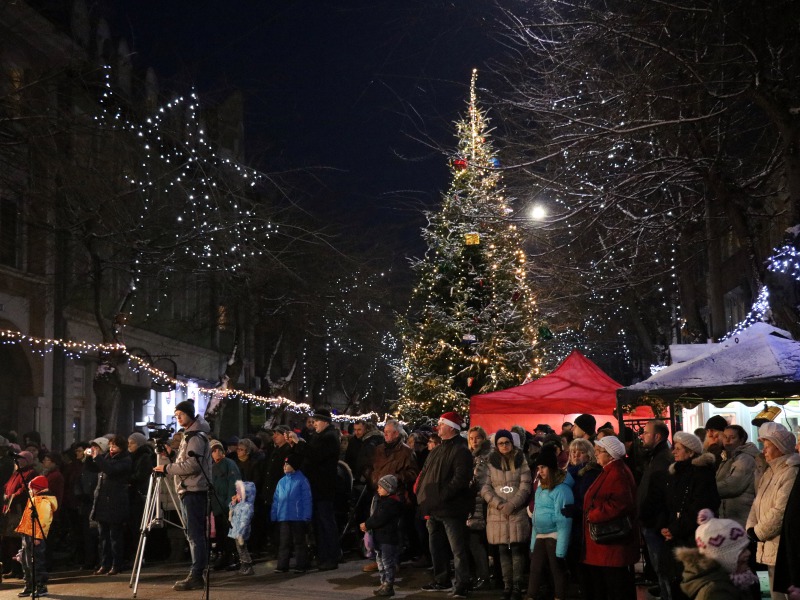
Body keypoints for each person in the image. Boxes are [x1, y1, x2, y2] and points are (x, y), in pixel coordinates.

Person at [152, 400, 212, 591]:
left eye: (181, 414)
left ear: (190, 414)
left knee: (194, 535)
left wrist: (167, 468)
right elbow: (186, 459)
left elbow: (193, 465)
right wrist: (173, 453)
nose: (178, 418)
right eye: (176, 415)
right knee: (193, 534)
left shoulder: (195, 437)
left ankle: (197, 574)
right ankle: (197, 572)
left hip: (194, 490)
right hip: (189, 488)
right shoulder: (189, 435)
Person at [416, 411, 474, 598]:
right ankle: (441, 579)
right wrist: (422, 496)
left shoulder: (461, 450)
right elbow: (425, 473)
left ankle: (462, 583)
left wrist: (442, 496)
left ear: (451, 427)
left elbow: (460, 479)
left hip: (451, 508)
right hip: (434, 507)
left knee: (457, 548)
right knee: (437, 547)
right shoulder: (439, 449)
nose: (438, 427)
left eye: (441, 424)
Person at [661, 431, 720, 600]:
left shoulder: (701, 473)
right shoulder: (676, 472)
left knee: (692, 584)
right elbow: (671, 504)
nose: (674, 451)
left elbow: (699, 507)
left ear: (690, 451)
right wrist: (667, 527)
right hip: (677, 535)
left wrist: (675, 529)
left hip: (693, 538)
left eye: (678, 448)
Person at [745, 422, 800, 600]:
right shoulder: (770, 471)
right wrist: (751, 528)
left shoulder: (791, 471)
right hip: (768, 543)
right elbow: (757, 502)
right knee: (776, 593)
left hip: (781, 543)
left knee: (785, 593)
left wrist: (759, 532)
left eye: (767, 447)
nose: (764, 451)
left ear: (780, 448)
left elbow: (781, 510)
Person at [582, 435, 638, 600]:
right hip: (606, 543)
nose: (596, 454)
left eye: (599, 451)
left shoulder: (616, 472)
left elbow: (619, 504)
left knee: (615, 584)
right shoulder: (610, 470)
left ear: (610, 454)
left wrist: (593, 514)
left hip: (611, 542)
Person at [480, 429, 532, 600]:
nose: (504, 446)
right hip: (497, 513)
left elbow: (525, 486)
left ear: (511, 443)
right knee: (503, 551)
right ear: (496, 445)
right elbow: (485, 488)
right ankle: (507, 585)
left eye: (507, 442)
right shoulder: (490, 462)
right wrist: (499, 504)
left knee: (516, 550)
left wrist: (512, 504)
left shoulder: (521, 460)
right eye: (501, 443)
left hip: (516, 512)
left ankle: (517, 585)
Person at [674, 508, 758, 600]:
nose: (748, 553)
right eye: (741, 550)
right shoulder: (715, 593)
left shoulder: (735, 580)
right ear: (723, 557)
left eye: (746, 548)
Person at [525, 443, 571, 600]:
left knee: (556, 569)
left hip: (554, 535)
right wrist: (532, 543)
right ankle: (531, 596)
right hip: (540, 534)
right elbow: (536, 516)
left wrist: (561, 550)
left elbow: (564, 521)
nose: (540, 471)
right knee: (535, 568)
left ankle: (560, 596)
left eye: (543, 467)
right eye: (539, 468)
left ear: (551, 467)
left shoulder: (561, 490)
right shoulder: (540, 489)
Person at [299, 408, 341, 571]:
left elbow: (315, 456)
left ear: (324, 421)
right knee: (319, 523)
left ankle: (331, 556)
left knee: (325, 522)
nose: (313, 424)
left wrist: (300, 444)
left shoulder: (329, 438)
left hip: (323, 486)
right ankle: (323, 555)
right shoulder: (320, 436)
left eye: (316, 421)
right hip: (316, 486)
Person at [638, 420, 674, 600]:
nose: (642, 436)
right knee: (660, 569)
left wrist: (648, 517)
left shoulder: (662, 459)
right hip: (653, 522)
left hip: (656, 523)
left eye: (645, 432)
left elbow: (659, 496)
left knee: (663, 568)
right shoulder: (655, 456)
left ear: (657, 436)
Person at [86, 435, 132, 576]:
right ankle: (104, 564)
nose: (112, 449)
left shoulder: (125, 460)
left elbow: (111, 470)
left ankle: (116, 564)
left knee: (114, 537)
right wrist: (90, 457)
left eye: (115, 446)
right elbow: (93, 468)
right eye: (111, 446)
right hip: (102, 502)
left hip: (115, 503)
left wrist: (97, 457)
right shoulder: (106, 457)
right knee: (103, 537)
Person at [563, 438, 602, 597]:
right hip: (572, 522)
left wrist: (576, 509)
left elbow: (588, 499)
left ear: (589, 454)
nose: (575, 455)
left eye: (581, 452)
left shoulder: (590, 473)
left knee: (584, 563)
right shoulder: (568, 473)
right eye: (573, 452)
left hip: (583, 523)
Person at [361, 474, 404, 597]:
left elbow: (379, 519)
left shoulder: (390, 504)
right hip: (380, 538)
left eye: (380, 487)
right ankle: (383, 582)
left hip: (387, 539)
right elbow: (376, 517)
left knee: (387, 562)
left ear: (388, 489)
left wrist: (367, 525)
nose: (378, 489)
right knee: (380, 561)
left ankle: (388, 584)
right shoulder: (382, 502)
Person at [15, 475, 57, 598]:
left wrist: (37, 537)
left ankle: (40, 586)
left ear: (38, 488)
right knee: (25, 560)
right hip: (28, 534)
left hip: (34, 536)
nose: (29, 491)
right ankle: (29, 585)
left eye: (31, 489)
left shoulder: (43, 501)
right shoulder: (35, 499)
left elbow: (43, 521)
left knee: (36, 562)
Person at [272, 454, 312, 573]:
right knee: (284, 542)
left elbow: (307, 499)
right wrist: (274, 514)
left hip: (297, 517)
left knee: (299, 542)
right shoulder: (281, 482)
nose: (284, 466)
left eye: (287, 464)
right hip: (284, 516)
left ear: (294, 466)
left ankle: (301, 565)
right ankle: (282, 565)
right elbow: (276, 499)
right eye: (284, 464)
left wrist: (307, 515)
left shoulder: (302, 480)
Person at [716, 425, 758, 526]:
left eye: (732, 437)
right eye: (725, 437)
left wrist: (707, 489)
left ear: (741, 440)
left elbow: (732, 486)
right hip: (730, 516)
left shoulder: (745, 459)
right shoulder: (727, 458)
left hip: (741, 518)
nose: (727, 440)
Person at [466, 425, 492, 591]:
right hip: (473, 504)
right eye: (471, 438)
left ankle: (484, 577)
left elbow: (479, 481)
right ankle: (480, 575)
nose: (474, 441)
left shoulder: (484, 457)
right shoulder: (472, 456)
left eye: (478, 438)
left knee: (477, 541)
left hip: (480, 504)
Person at [210, 439, 241, 571]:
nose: (216, 452)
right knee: (221, 533)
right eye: (213, 450)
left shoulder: (229, 464)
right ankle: (223, 557)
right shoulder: (211, 467)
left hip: (227, 505)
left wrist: (230, 502)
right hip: (217, 505)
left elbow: (233, 484)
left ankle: (233, 557)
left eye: (218, 450)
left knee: (229, 533)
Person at [228, 479, 257, 575]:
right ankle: (243, 565)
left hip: (241, 533)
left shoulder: (247, 506)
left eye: (239, 492)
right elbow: (232, 510)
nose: (237, 493)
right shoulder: (240, 505)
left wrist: (241, 533)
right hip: (237, 531)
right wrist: (233, 503)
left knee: (243, 549)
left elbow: (245, 521)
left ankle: (248, 566)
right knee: (240, 550)